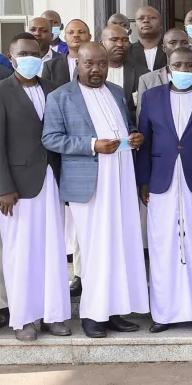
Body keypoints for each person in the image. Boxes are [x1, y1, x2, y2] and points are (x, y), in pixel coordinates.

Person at [42, 42, 149, 338]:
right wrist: (92, 145)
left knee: (121, 246)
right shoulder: (60, 97)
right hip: (88, 184)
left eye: (101, 64)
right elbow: (51, 138)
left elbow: (125, 127)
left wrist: (133, 137)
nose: (97, 69)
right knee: (94, 250)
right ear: (77, 63)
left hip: (121, 178)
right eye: (90, 64)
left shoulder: (116, 92)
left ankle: (114, 311)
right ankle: (92, 315)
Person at [0, 34, 71, 341]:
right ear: (11, 57)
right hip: (17, 188)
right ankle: (24, 319)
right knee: (21, 253)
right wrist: (3, 187)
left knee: (53, 250)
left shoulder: (53, 89)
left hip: (52, 180)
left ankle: (54, 315)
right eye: (23, 53)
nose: (30, 58)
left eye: (35, 53)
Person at [135, 47, 192, 333]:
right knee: (162, 246)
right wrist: (143, 180)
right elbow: (144, 142)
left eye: (189, 65)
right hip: (161, 181)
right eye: (178, 65)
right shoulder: (152, 97)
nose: (183, 70)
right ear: (168, 68)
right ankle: (163, 313)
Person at [137, 28, 192, 96]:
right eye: (173, 43)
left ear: (189, 47)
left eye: (184, 42)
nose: (178, 46)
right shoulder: (147, 80)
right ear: (164, 48)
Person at [99, 24, 144, 120]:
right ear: (101, 43)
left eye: (125, 40)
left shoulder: (142, 74)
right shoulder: (89, 73)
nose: (120, 44)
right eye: (114, 40)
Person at [41, 18, 91, 87]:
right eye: (71, 32)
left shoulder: (98, 63)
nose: (75, 35)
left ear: (89, 37)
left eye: (81, 32)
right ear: (65, 37)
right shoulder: (50, 66)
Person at [128, 5, 165, 73]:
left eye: (152, 18)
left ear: (160, 24)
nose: (146, 21)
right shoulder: (127, 53)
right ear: (135, 25)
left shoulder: (170, 50)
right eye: (141, 18)